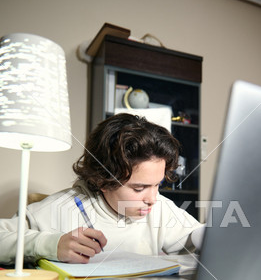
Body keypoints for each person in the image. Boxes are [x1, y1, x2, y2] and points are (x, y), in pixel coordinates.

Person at [0, 113, 204, 265]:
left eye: (157, 185)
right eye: (139, 188)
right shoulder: (57, 209)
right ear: (102, 180)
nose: (152, 198)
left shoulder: (159, 208)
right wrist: (51, 244)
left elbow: (201, 241)